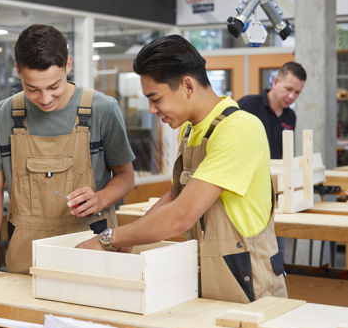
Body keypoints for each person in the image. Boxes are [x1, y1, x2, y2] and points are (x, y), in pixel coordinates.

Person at [75, 34, 287, 303]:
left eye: (156, 98)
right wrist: (131, 239)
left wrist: (110, 238)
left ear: (187, 85)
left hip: (250, 283)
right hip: (207, 278)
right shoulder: (192, 130)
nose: (152, 110)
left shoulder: (238, 128)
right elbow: (176, 196)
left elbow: (181, 215)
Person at [0, 24, 135, 285]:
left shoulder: (102, 109)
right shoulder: (3, 114)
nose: (45, 98)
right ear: (18, 71)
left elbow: (125, 177)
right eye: (32, 89)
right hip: (26, 256)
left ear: (68, 65)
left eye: (54, 86)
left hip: (91, 248)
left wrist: (100, 198)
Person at [238, 62, 307, 260]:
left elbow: (286, 154)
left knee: (277, 253)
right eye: (288, 89)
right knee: (251, 254)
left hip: (276, 195)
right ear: (275, 82)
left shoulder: (290, 116)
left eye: (297, 93)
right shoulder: (247, 106)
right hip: (247, 195)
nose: (292, 96)